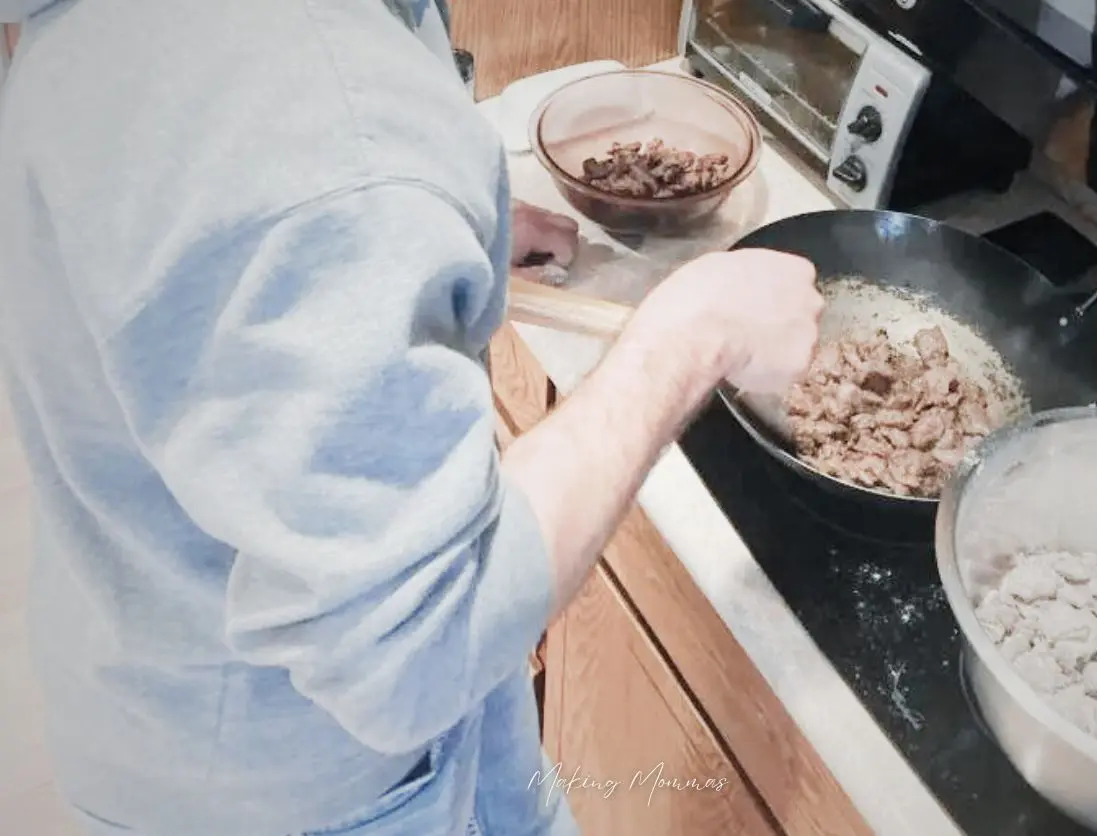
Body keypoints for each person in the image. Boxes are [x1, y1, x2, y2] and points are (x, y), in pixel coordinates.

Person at [0, 1, 822, 834]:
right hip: (314, 784)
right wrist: (694, 332)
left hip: (163, 676)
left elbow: (213, 270)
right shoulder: (288, 96)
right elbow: (413, 653)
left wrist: (415, 232)